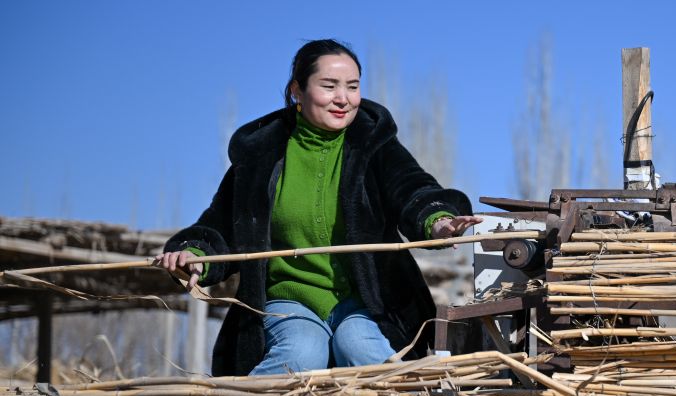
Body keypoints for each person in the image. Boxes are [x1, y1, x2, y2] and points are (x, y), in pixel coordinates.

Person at [155, 39, 480, 376]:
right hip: (289, 299)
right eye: (329, 86)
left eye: (352, 87)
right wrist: (193, 253)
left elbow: (412, 188)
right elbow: (221, 225)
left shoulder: (374, 143)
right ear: (298, 90)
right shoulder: (260, 156)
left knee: (365, 351)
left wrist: (438, 219)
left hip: (365, 301)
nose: (343, 98)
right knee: (300, 354)